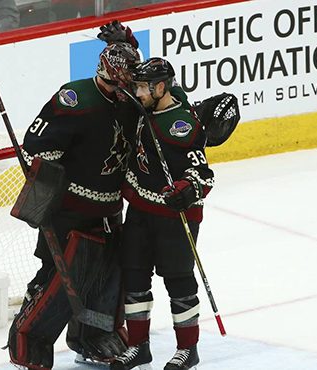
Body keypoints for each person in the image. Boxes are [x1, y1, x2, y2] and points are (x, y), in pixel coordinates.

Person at [5, 38, 143, 369]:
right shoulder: (75, 98)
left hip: (110, 210)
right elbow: (37, 145)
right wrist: (48, 185)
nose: (129, 89)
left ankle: (92, 337)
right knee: (60, 279)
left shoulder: (129, 103)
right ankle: (28, 339)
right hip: (71, 214)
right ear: (110, 75)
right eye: (123, 82)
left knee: (106, 277)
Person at [111, 57, 214, 370]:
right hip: (141, 211)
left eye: (143, 86)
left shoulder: (181, 122)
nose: (138, 92)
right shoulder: (147, 109)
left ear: (160, 88)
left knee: (179, 280)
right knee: (135, 276)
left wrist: (187, 188)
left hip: (173, 216)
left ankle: (188, 349)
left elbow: (204, 174)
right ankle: (139, 346)